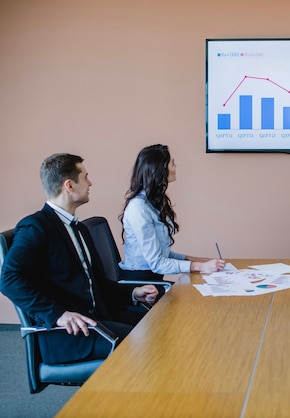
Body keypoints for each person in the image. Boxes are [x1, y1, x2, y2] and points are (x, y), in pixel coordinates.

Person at [0, 153, 159, 365]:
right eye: (85, 177)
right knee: (148, 343)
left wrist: (132, 292)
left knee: (159, 326)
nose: (90, 183)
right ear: (69, 185)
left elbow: (97, 285)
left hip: (97, 318)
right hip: (69, 333)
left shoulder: (80, 229)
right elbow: (9, 279)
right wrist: (57, 314)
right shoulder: (35, 227)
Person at [119, 144, 225, 279]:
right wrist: (199, 267)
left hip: (153, 280)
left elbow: (163, 253)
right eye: (172, 163)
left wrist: (194, 260)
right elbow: (157, 263)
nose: (175, 167)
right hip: (142, 283)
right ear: (160, 168)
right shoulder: (138, 209)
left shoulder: (153, 203)